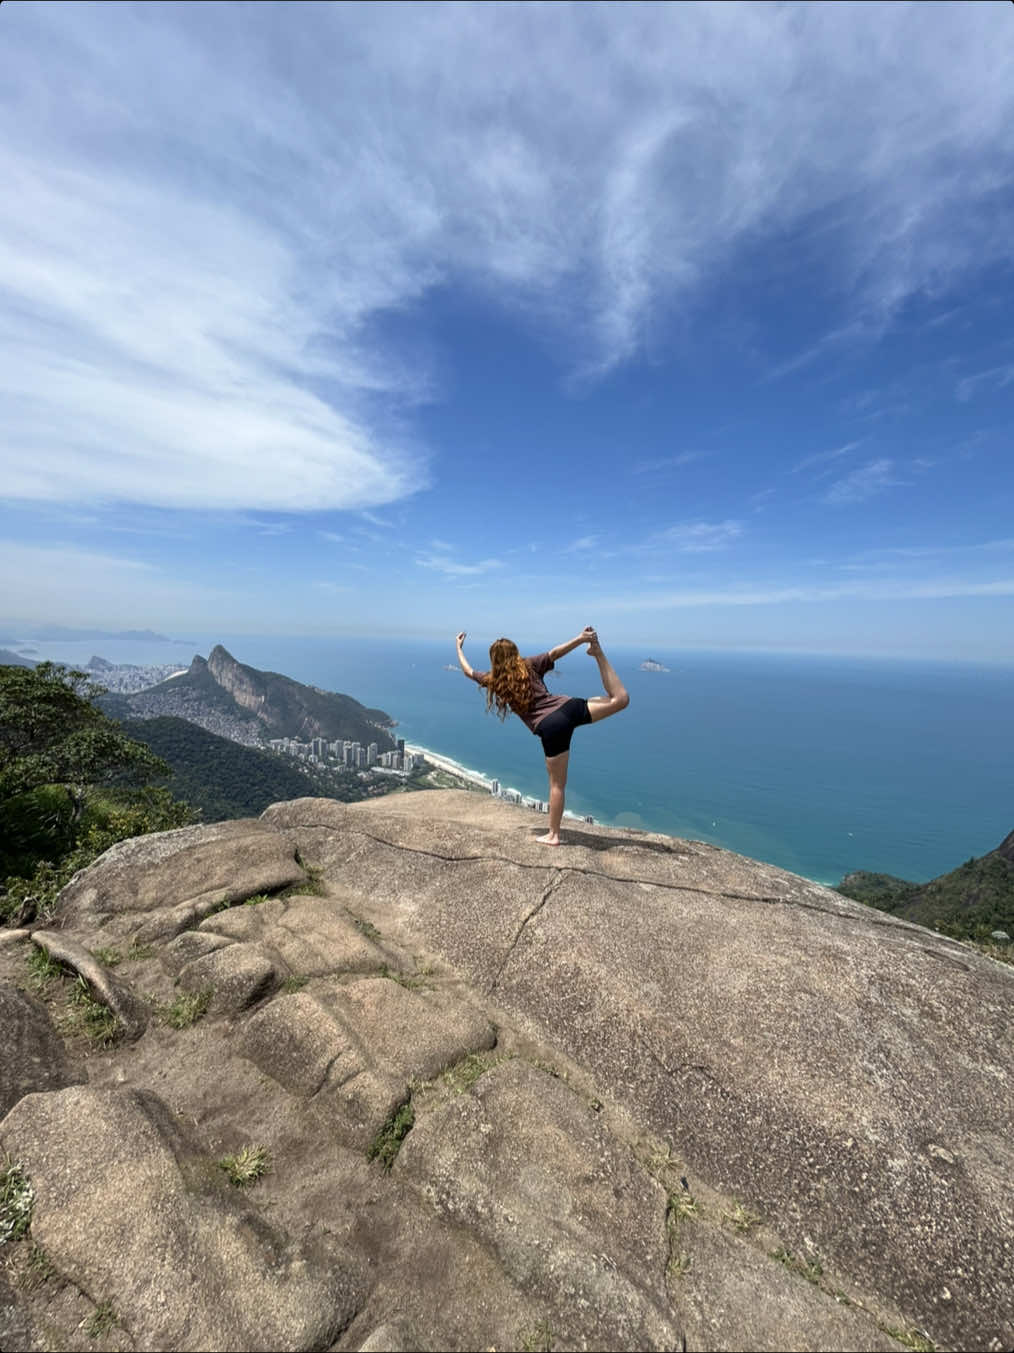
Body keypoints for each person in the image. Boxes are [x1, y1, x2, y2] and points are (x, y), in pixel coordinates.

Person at [455, 627, 629, 845]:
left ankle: (553, 835)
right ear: (515, 653)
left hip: (551, 727)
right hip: (568, 708)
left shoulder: (494, 681)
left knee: (557, 785)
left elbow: (468, 671)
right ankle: (598, 654)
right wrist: (580, 639)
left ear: (494, 660)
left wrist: (458, 648)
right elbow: (555, 653)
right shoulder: (529, 664)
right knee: (620, 699)